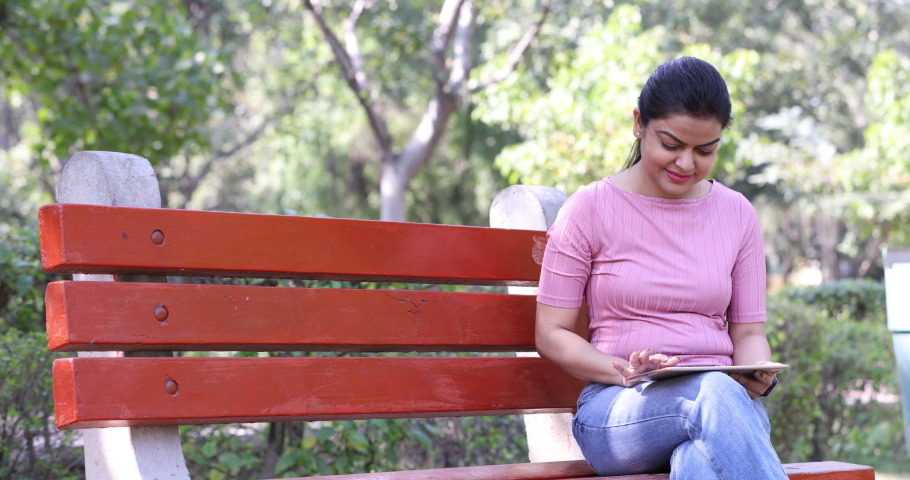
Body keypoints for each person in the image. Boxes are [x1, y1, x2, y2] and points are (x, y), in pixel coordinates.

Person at [534, 56, 788, 479]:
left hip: (724, 406)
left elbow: (748, 333)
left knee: (698, 463)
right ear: (639, 123)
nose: (686, 164)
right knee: (713, 396)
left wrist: (757, 373)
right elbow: (551, 333)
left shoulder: (737, 214)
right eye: (671, 145)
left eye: (705, 150)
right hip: (620, 408)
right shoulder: (589, 209)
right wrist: (622, 370)